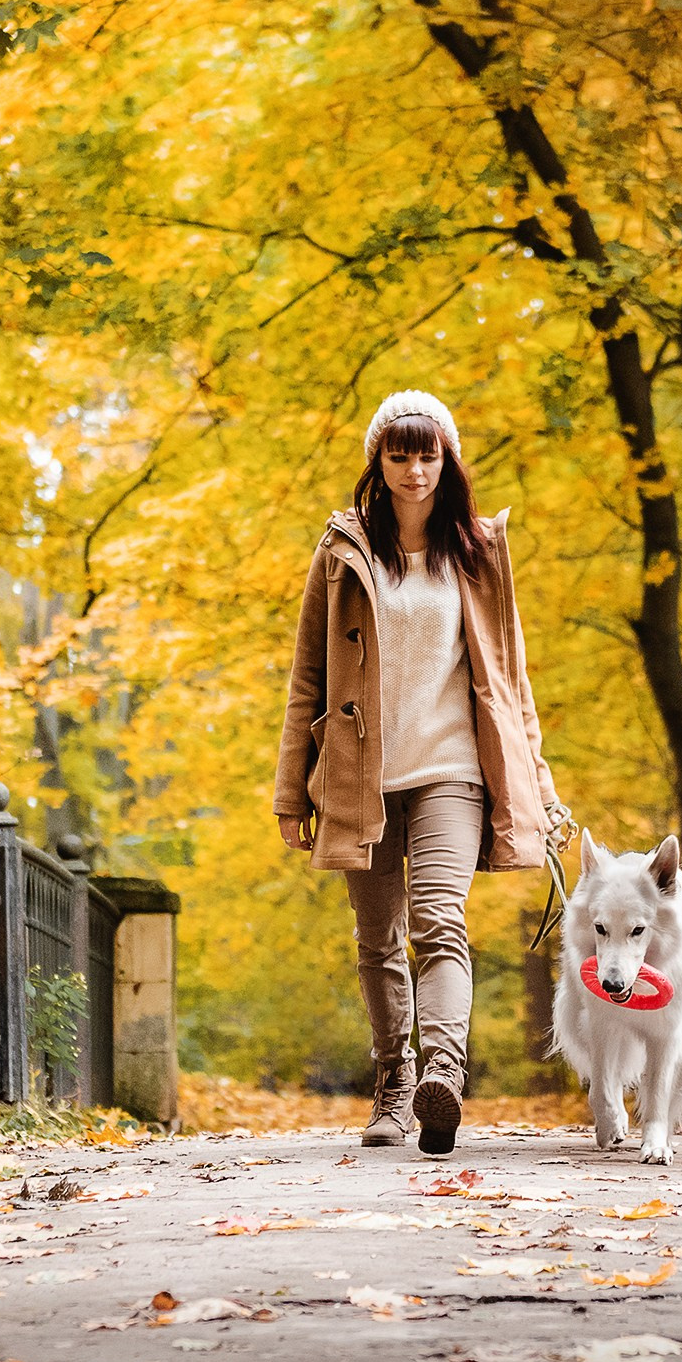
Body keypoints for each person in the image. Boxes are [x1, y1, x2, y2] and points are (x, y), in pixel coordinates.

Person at [273, 391, 565, 1154]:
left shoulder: (478, 553)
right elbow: (308, 676)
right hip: (358, 775)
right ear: (380, 459)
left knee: (440, 919)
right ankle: (392, 1085)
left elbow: (510, 682)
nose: (413, 468)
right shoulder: (341, 552)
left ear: (448, 460)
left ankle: (441, 1075)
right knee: (378, 939)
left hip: (451, 773)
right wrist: (287, 791)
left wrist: (538, 781)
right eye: (399, 453)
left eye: (427, 452)